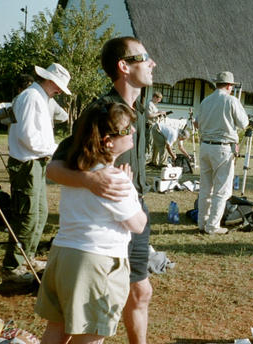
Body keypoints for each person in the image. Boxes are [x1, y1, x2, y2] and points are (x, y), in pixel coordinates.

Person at [46, 36, 156, 344]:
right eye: (144, 57)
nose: (152, 63)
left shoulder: (139, 109)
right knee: (85, 320)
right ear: (124, 67)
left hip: (132, 209)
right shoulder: (102, 113)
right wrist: (90, 180)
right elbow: (54, 168)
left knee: (141, 291)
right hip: (105, 228)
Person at [35, 102, 147, 344]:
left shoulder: (77, 169)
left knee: (57, 328)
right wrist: (131, 189)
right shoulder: (115, 179)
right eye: (128, 130)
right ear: (108, 141)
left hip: (63, 255)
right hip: (97, 262)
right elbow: (138, 224)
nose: (133, 133)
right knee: (90, 336)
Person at [1, 63, 72, 284]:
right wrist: (56, 149)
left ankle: (27, 258)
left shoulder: (40, 97)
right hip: (27, 164)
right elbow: (28, 136)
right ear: (50, 81)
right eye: (59, 86)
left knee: (40, 214)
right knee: (27, 216)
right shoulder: (31, 97)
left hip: (37, 163)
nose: (60, 91)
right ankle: (12, 267)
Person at [195, 71, 248, 235]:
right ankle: (212, 225)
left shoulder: (206, 101)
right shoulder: (231, 100)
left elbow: (196, 123)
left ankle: (202, 222)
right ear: (229, 86)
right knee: (221, 189)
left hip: (205, 146)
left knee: (205, 188)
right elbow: (244, 123)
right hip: (222, 147)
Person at [146, 91, 166, 159]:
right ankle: (145, 158)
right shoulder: (149, 104)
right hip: (149, 125)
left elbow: (155, 112)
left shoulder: (153, 105)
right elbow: (149, 115)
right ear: (154, 97)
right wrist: (159, 114)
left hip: (154, 125)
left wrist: (160, 112)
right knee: (149, 142)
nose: (158, 102)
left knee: (153, 143)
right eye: (158, 100)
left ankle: (151, 159)